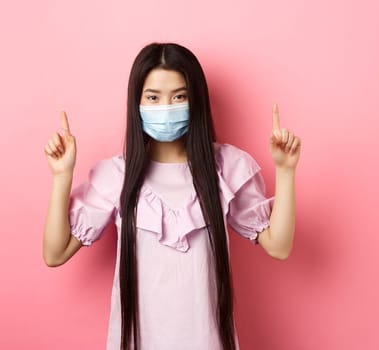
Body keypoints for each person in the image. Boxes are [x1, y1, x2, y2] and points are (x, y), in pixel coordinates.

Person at [42, 42, 301, 350]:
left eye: (179, 96)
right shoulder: (116, 176)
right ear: (136, 103)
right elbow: (55, 253)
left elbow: (280, 246)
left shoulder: (226, 169)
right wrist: (61, 176)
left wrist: (285, 171)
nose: (166, 107)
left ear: (196, 101)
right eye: (153, 97)